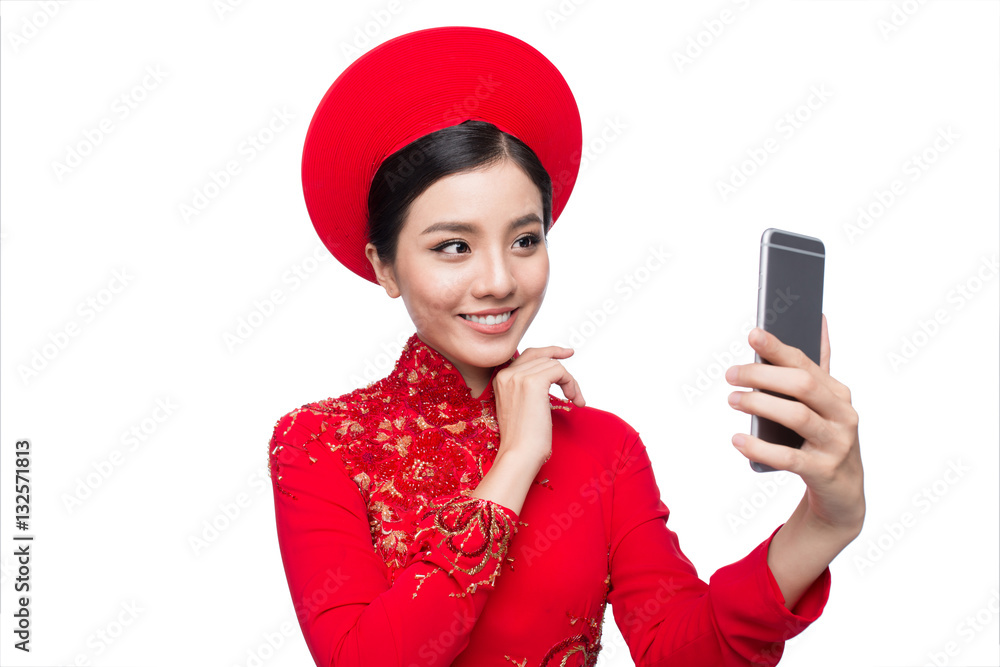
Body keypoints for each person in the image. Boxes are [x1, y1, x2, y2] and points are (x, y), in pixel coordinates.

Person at [267, 26, 865, 667]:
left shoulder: (604, 448)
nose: (499, 280)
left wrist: (825, 523)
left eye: (524, 240)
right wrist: (518, 458)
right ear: (384, 267)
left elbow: (686, 653)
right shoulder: (320, 442)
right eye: (453, 246)